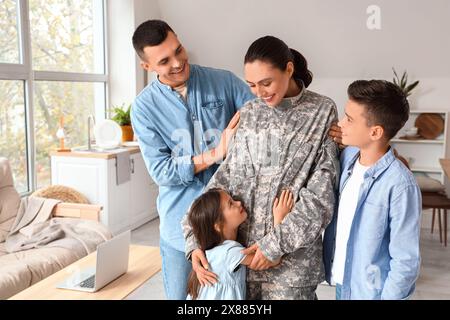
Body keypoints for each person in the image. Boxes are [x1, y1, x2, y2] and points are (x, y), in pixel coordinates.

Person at [183, 36, 339, 300]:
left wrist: (274, 245)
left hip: (291, 270)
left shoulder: (322, 111)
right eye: (252, 85)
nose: (259, 92)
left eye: (266, 82)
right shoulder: (250, 112)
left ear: (289, 69)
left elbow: (321, 196)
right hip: (241, 263)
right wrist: (194, 240)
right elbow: (224, 181)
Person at [130, 20, 254, 299]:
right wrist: (215, 153)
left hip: (231, 225)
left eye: (179, 50)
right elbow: (162, 172)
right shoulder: (142, 108)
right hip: (178, 227)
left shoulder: (223, 82)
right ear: (147, 67)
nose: (177, 62)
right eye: (164, 60)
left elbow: (263, 119)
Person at [323, 80, 422, 300]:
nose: (341, 124)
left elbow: (406, 260)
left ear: (375, 132)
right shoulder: (347, 158)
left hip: (372, 294)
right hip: (344, 283)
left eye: (349, 119)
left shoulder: (400, 185)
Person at [186, 189, 293, 299]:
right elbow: (271, 259)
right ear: (218, 225)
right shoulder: (230, 253)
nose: (239, 203)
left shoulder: (212, 252)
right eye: (231, 204)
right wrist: (279, 219)